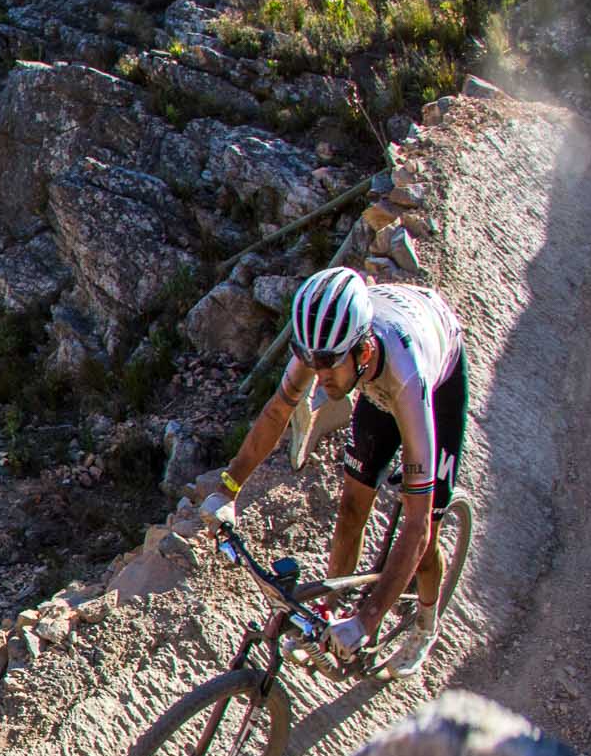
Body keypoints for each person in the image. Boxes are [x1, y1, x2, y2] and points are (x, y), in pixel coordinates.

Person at [200, 267, 466, 678]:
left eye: (328, 367)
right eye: (312, 363)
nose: (319, 378)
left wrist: (368, 619)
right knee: (350, 510)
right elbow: (277, 412)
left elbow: (415, 530)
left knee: (425, 529)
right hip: (378, 379)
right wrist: (228, 488)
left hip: (433, 377)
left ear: (362, 353)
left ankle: (426, 627)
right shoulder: (325, 344)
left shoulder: (408, 376)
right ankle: (330, 612)